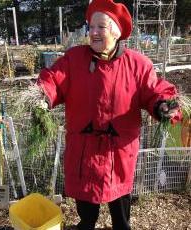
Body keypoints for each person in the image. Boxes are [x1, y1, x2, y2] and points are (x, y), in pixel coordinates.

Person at [35, 0, 181, 229]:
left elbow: (154, 90)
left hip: (119, 150)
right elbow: (53, 79)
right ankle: (86, 224)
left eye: (100, 27)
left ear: (116, 31)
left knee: (120, 206)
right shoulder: (74, 60)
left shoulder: (138, 65)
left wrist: (163, 105)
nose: (93, 32)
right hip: (84, 148)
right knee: (85, 206)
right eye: (90, 27)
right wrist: (42, 97)